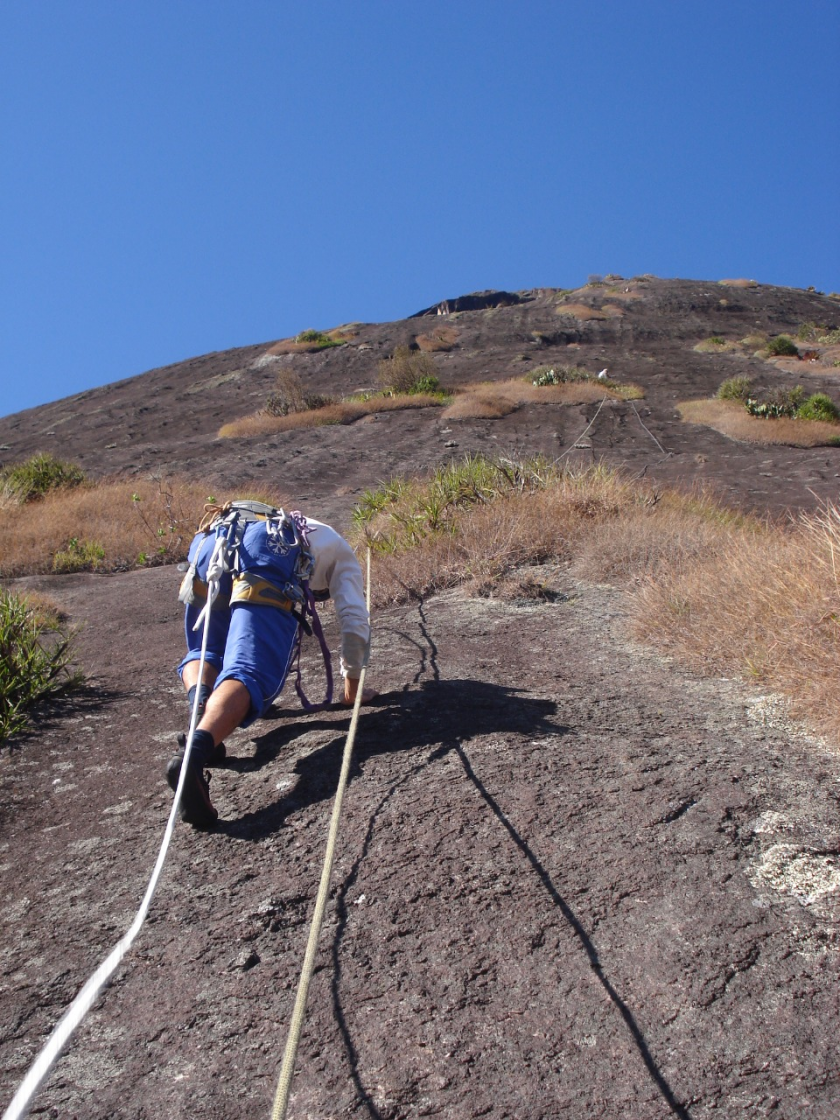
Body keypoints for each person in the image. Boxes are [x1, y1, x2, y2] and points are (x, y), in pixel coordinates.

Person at [166, 502, 373, 828]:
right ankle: (196, 751)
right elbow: (354, 619)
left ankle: (202, 721)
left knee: (208, 651)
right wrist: (353, 690)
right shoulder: (344, 554)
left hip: (218, 535)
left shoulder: (317, 533)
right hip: (269, 547)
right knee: (250, 670)